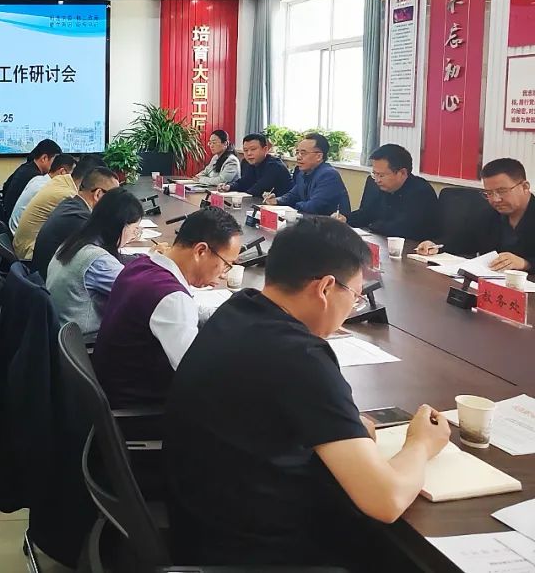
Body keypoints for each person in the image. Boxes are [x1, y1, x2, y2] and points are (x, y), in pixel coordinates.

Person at [164, 217, 451, 568]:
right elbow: (386, 500)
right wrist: (421, 444)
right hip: (256, 553)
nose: (351, 310)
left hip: (198, 528)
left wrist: (341, 428)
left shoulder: (239, 309)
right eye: (355, 298)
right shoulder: (301, 356)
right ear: (326, 288)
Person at [92, 206, 242, 408]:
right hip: (139, 410)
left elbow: (186, 310)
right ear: (200, 251)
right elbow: (199, 377)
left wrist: (231, 316)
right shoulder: (172, 299)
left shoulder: (141, 265)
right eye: (226, 264)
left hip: (113, 389)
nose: (224, 274)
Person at [46, 189, 144, 340]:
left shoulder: (74, 242)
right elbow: (141, 294)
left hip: (65, 337)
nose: (133, 236)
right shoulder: (98, 261)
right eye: (135, 230)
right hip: (87, 342)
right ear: (122, 226)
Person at [417, 157, 535, 271]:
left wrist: (526, 264)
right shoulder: (490, 214)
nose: (495, 199)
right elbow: (464, 240)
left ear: (525, 187)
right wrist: (436, 246)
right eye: (489, 193)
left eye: (502, 191)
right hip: (491, 279)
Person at [33, 167, 121, 281]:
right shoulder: (80, 218)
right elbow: (106, 258)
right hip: (50, 283)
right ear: (98, 194)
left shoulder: (71, 204)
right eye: (114, 197)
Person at [337, 144, 439, 240]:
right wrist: (345, 219)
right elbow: (367, 213)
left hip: (412, 247)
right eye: (374, 174)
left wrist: (372, 225)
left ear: (402, 173)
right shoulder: (383, 187)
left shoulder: (421, 192)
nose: (377, 180)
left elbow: (402, 228)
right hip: (382, 241)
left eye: (381, 175)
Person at [14, 156, 102, 261]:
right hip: (29, 253)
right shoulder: (68, 195)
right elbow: (90, 227)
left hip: (22, 244)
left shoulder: (61, 180)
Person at [264, 132, 351, 215]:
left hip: (328, 223)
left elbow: (313, 207)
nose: (298, 157)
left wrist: (290, 206)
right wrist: (277, 200)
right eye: (297, 152)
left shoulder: (328, 175)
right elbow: (293, 195)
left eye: (303, 153)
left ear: (319, 156)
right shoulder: (302, 172)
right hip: (309, 220)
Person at [10, 153, 78, 234]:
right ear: (62, 172)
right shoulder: (50, 190)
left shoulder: (38, 179)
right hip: (19, 233)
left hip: (14, 228)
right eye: (72, 175)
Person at [1, 139, 63, 217]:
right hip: (15, 218)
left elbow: (5, 186)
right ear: (44, 158)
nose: (57, 165)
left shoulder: (26, 167)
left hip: (7, 213)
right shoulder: (36, 179)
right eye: (55, 161)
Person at [219, 133, 293, 197]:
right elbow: (243, 182)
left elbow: (258, 189)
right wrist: (228, 186)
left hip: (280, 206)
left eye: (253, 149)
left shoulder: (275, 166)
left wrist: (239, 195)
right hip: (257, 203)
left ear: (265, 149)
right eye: (245, 150)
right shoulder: (247, 162)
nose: (249, 153)